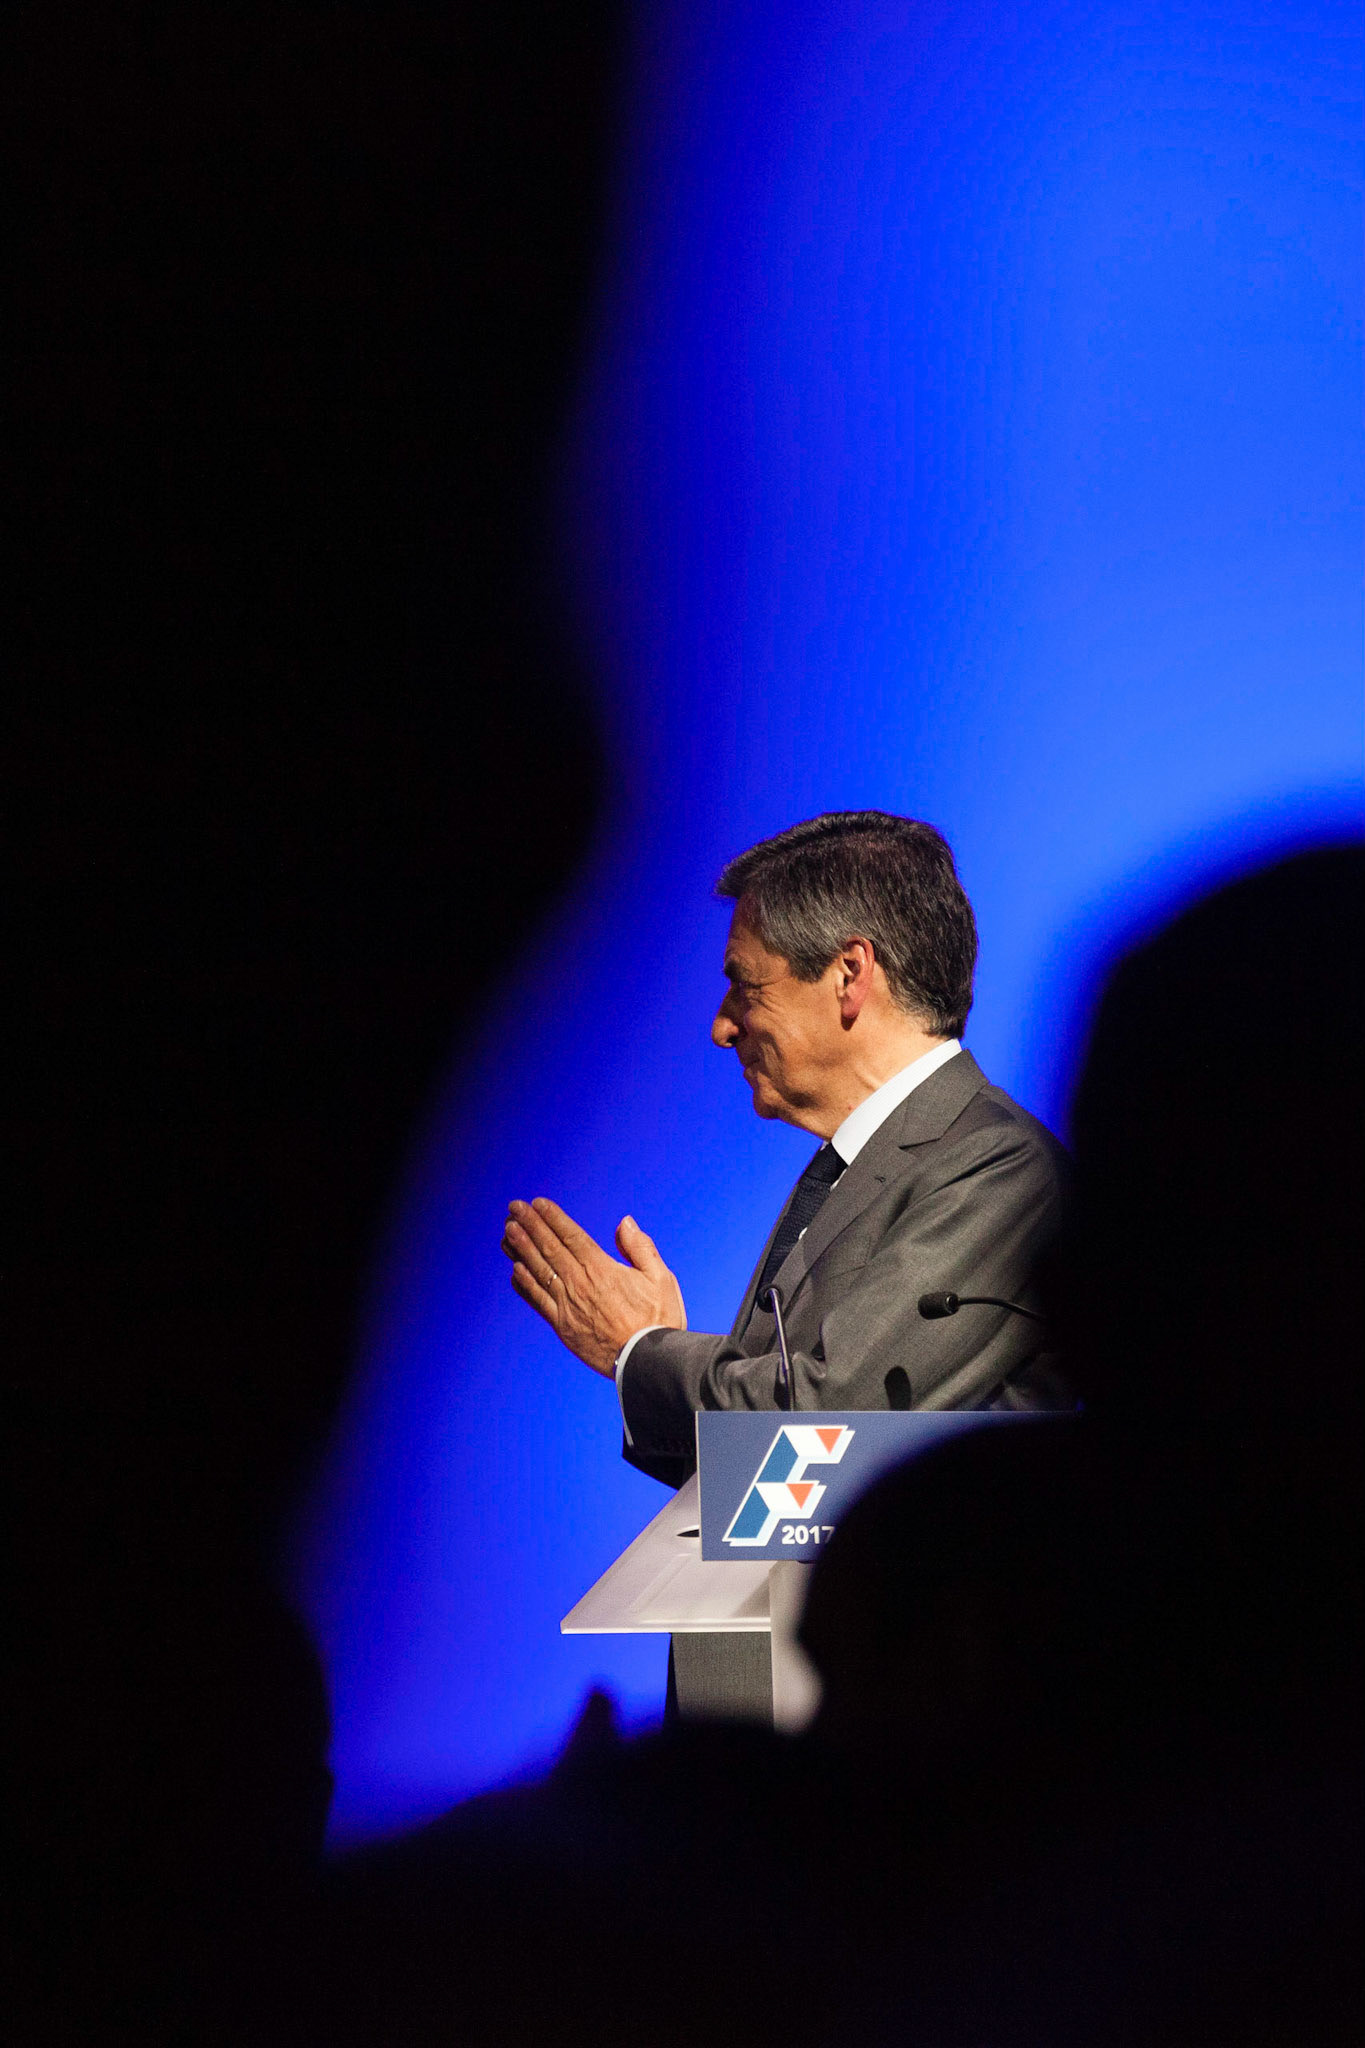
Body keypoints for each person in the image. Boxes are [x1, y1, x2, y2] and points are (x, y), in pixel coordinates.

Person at [503, 811, 1070, 1492]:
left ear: (849, 974)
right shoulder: (849, 1172)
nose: (721, 1027)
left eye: (745, 986)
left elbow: (818, 1431)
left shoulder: (1000, 1167)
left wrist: (642, 1353)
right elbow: (769, 1483)